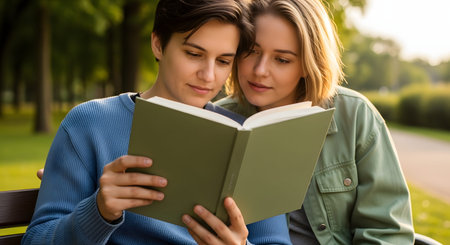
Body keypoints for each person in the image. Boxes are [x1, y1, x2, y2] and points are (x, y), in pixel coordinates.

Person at [23, 0, 292, 244]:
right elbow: (35, 240)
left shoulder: (245, 138)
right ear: (158, 44)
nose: (208, 75)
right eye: (193, 54)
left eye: (223, 61)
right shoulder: (89, 124)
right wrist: (98, 211)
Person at [215, 0, 415, 244]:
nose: (260, 70)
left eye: (282, 59)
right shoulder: (216, 119)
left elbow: (388, 234)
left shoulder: (355, 116)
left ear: (308, 65)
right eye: (252, 51)